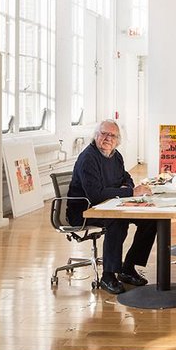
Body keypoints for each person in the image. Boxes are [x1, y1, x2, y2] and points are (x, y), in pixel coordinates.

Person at [67, 119, 156, 295]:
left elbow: (126, 177)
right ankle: (108, 276)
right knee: (117, 220)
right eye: (104, 134)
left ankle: (127, 267)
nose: (108, 138)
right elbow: (95, 195)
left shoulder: (116, 156)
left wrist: (129, 188)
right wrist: (130, 192)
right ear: (96, 136)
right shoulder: (88, 158)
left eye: (112, 135)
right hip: (84, 210)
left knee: (151, 219)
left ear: (118, 140)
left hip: (111, 204)